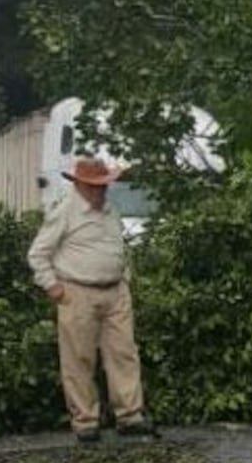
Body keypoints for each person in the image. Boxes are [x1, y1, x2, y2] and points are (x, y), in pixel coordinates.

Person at [27, 156, 157, 442]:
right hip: (77, 290)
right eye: (96, 186)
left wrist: (125, 278)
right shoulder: (64, 211)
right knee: (78, 358)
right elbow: (38, 253)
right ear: (81, 185)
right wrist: (52, 286)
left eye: (104, 185)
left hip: (115, 290)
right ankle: (85, 421)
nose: (102, 191)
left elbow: (118, 246)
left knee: (124, 353)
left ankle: (130, 416)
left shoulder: (110, 210)